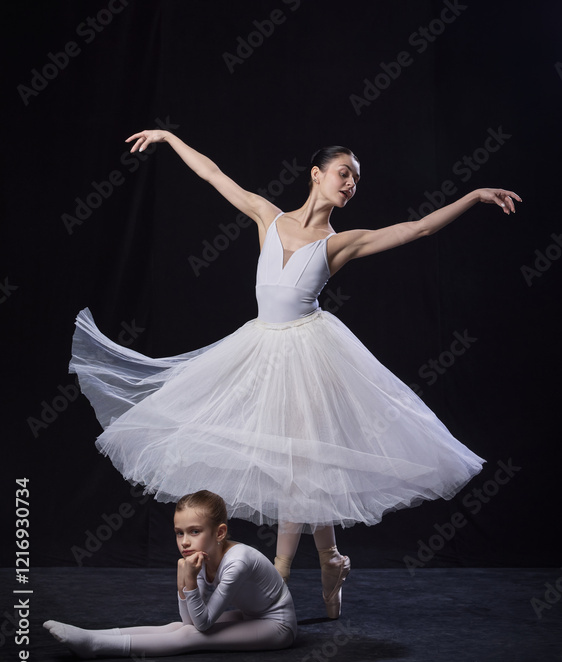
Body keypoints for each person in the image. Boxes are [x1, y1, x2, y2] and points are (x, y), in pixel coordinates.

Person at [69, 130, 521, 618]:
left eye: (356, 180)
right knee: (293, 465)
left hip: (308, 355)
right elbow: (212, 173)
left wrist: (475, 196)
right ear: (317, 175)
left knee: (301, 465)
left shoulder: (339, 244)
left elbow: (417, 229)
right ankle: (328, 560)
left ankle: (289, 570)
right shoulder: (269, 217)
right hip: (261, 349)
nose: (350, 184)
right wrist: (168, 137)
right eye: (344, 173)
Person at [44, 490, 297, 657]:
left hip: (278, 624)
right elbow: (188, 620)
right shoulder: (200, 556)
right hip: (250, 616)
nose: (185, 542)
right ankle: (92, 635)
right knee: (176, 626)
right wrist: (184, 582)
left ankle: (96, 647)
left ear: (219, 533)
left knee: (191, 637)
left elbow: (201, 625)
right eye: (179, 532)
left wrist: (187, 581)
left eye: (194, 531)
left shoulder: (237, 562)